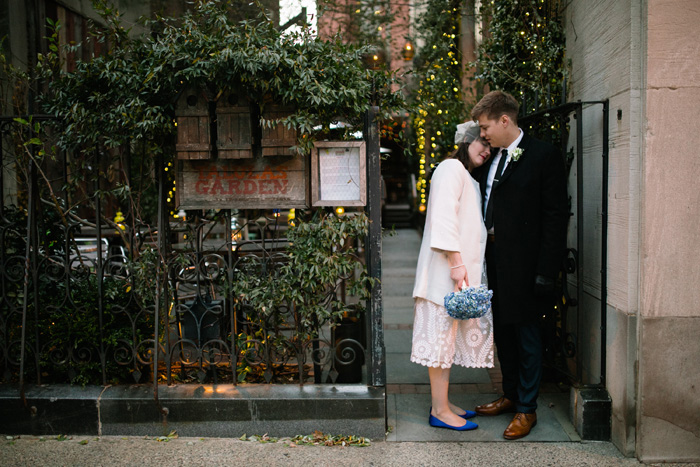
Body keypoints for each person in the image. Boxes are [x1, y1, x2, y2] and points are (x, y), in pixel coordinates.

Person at [471, 91, 568, 440]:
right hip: (491, 259)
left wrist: (546, 269)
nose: (483, 134)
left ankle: (528, 409)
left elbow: (556, 216)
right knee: (503, 333)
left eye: (485, 127)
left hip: (526, 265)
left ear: (505, 121)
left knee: (527, 335)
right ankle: (510, 394)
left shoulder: (544, 155)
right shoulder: (491, 158)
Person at [411, 121, 494, 432]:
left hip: (454, 273)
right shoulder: (450, 168)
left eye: (490, 146)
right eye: (482, 142)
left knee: (446, 344)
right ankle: (440, 411)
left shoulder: (463, 175)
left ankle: (442, 404)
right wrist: (457, 264)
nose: (486, 150)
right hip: (445, 273)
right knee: (440, 345)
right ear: (467, 141)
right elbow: (444, 218)